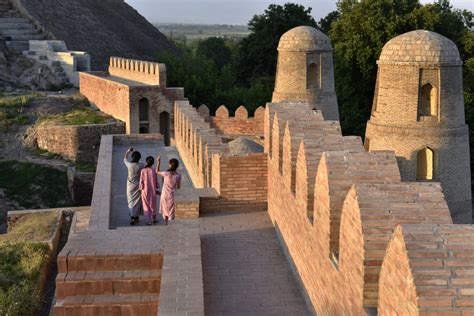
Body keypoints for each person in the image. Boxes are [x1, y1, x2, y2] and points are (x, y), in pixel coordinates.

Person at [157, 156, 182, 225]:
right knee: (171, 210)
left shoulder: (166, 173)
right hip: (172, 195)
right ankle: (170, 223)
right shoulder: (178, 176)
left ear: (170, 165)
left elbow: (157, 171)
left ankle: (166, 222)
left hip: (164, 194)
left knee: (165, 209)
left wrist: (158, 162)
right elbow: (178, 188)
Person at [124, 148, 143, 225]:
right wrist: (135, 151)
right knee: (138, 201)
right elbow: (141, 161)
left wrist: (128, 151)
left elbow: (124, 159)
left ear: (132, 157)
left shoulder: (129, 165)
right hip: (138, 184)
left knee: (131, 201)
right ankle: (137, 217)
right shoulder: (141, 165)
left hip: (130, 185)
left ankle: (132, 217)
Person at [140, 156, 160, 225]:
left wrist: (141, 188)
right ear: (153, 163)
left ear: (146, 162)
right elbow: (156, 180)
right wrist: (157, 187)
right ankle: (154, 218)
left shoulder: (143, 170)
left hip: (145, 190)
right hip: (153, 190)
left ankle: (149, 220)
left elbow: (141, 181)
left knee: (146, 205)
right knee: (153, 204)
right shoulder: (153, 170)